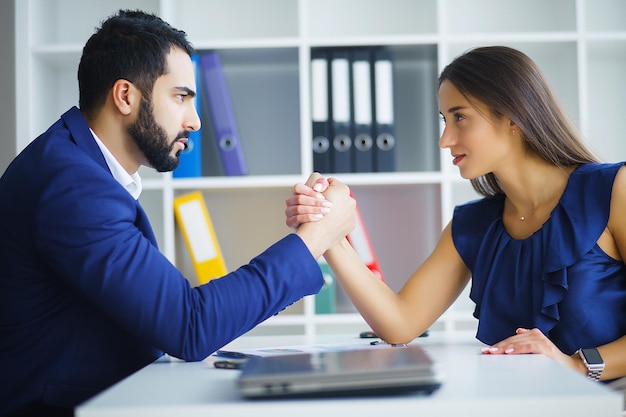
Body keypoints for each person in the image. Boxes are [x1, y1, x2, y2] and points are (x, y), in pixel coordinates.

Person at [0, 9, 355, 417]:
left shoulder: (77, 166)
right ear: (126, 96)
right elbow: (189, 326)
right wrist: (314, 239)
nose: (197, 121)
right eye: (181, 97)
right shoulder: (73, 186)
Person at [286, 46, 626, 384]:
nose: (445, 140)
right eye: (444, 120)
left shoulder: (612, 190)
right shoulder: (473, 226)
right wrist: (326, 230)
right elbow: (400, 323)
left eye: (459, 117)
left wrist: (579, 365)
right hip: (521, 400)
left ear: (513, 117)